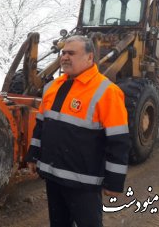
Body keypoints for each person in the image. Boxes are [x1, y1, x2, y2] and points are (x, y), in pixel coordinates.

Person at [26, 35, 131, 227]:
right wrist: (33, 156)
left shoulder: (107, 92)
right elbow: (41, 125)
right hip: (53, 177)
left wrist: (114, 182)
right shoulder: (52, 87)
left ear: (90, 58)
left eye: (71, 53)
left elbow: (119, 140)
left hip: (84, 182)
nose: (64, 57)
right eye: (63, 53)